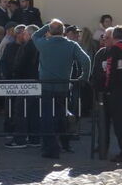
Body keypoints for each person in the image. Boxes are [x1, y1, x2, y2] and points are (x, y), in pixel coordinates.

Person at [32, 20, 91, 159]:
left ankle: (50, 148)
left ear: (50, 31)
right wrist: (84, 77)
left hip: (46, 86)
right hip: (63, 86)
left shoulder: (44, 43)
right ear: (63, 31)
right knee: (61, 116)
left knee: (47, 117)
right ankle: (65, 144)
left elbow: (35, 35)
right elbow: (86, 60)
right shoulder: (71, 45)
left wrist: (48, 26)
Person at [94, 26, 122, 162]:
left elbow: (112, 73)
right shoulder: (101, 53)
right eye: (103, 38)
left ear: (113, 38)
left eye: (106, 38)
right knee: (104, 123)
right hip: (107, 94)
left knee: (121, 122)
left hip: (116, 93)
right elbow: (97, 73)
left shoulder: (118, 51)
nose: (104, 40)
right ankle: (102, 147)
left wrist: (108, 86)